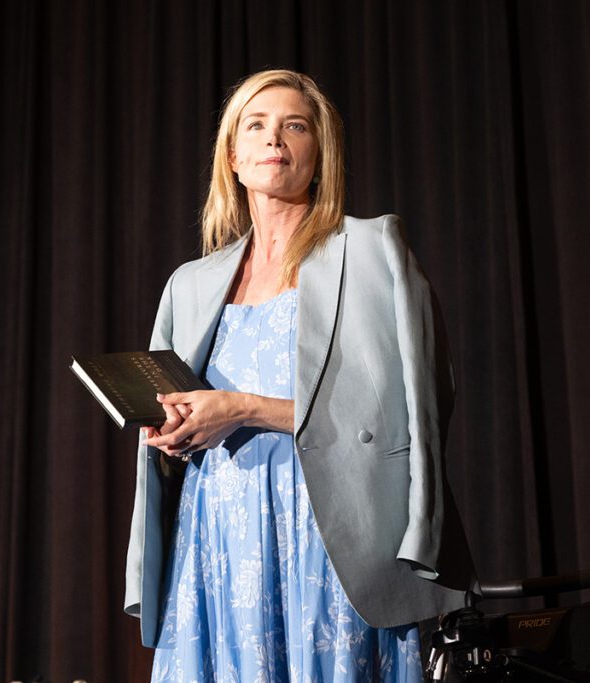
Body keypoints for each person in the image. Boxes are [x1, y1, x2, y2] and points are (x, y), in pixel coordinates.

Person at [123, 69, 477, 682]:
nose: (275, 140)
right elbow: (168, 411)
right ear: (232, 157)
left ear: (320, 151)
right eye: (255, 126)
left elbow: (412, 409)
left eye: (295, 125)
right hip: (219, 544)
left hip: (331, 534)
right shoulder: (191, 284)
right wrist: (171, 431)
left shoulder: (373, 251)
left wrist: (241, 407)